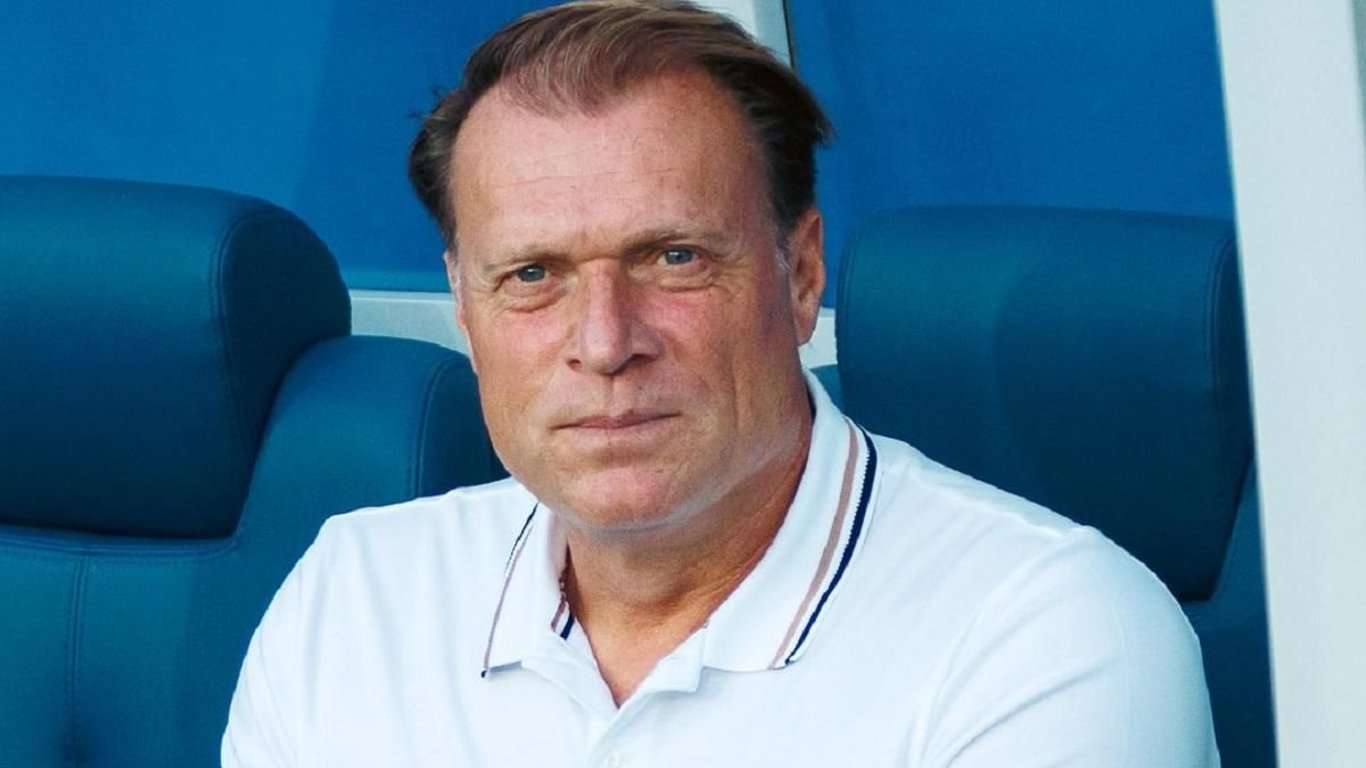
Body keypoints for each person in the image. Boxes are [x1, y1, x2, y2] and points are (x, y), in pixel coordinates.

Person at [223, 1, 1220, 765]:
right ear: (463, 310)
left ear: (801, 275)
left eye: (673, 259)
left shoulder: (1048, 632)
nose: (604, 343)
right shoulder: (356, 597)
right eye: (532, 275)